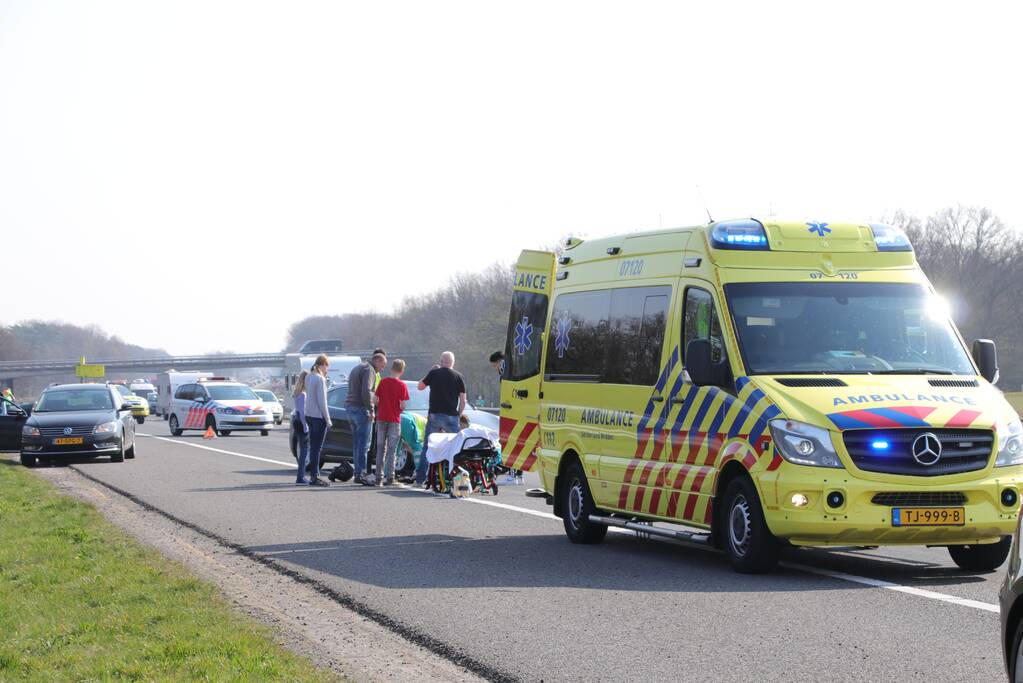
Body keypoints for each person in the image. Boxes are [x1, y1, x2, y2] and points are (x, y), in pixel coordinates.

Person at [416, 351, 466, 487]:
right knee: (455, 449)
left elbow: (420, 387)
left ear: (442, 360)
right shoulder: (459, 377)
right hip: (451, 416)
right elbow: (463, 400)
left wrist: (430, 372)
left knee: (428, 447)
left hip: (434, 415)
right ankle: (454, 480)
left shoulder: (434, 373)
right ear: (452, 362)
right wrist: (458, 414)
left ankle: (420, 479)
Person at [346, 352, 388, 485]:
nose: (383, 368)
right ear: (376, 361)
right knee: (365, 445)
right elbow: (366, 391)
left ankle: (357, 472)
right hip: (361, 409)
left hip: (350, 407)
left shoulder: (357, 367)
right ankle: (361, 473)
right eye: (382, 364)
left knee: (356, 443)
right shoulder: (369, 370)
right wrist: (370, 409)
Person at [373, 359, 409, 486]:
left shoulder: (383, 382)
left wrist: (382, 404)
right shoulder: (402, 385)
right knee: (392, 450)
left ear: (391, 368)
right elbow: (403, 405)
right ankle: (390, 477)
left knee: (380, 448)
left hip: (381, 418)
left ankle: (378, 477)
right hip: (394, 419)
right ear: (402, 371)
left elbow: (375, 399)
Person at [304, 355, 332, 487]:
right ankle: (315, 476)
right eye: (327, 366)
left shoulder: (309, 377)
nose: (327, 369)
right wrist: (328, 419)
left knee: (313, 447)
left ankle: (313, 475)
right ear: (323, 365)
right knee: (317, 448)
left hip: (308, 415)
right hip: (318, 416)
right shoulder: (320, 379)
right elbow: (322, 402)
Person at [291, 371, 311, 485]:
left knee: (302, 450)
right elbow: (303, 413)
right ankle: (301, 476)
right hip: (301, 421)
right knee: (304, 451)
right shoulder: (303, 394)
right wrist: (306, 426)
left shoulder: (297, 392)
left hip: (296, 420)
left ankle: (301, 475)